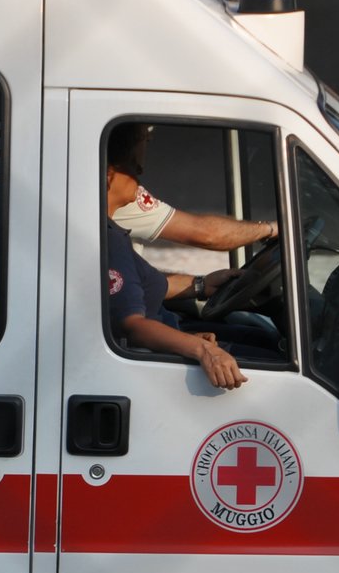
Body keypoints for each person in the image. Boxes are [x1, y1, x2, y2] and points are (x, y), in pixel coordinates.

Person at [106, 157, 249, 391]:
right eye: (131, 166)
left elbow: (143, 286)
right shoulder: (110, 240)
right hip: (149, 365)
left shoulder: (112, 233)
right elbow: (133, 326)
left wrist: (202, 285)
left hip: (170, 337)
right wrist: (204, 350)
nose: (140, 169)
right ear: (108, 175)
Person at [108, 123, 279, 250]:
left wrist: (200, 285)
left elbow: (144, 280)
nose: (147, 144)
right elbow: (206, 235)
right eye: (147, 138)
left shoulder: (116, 187)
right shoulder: (117, 191)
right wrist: (269, 229)